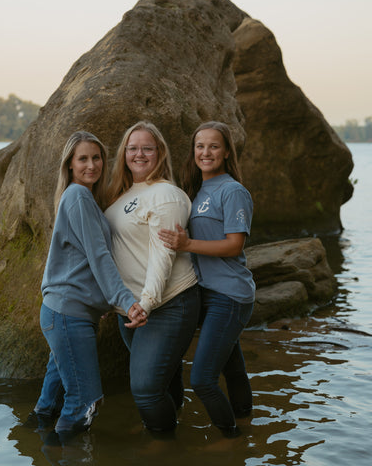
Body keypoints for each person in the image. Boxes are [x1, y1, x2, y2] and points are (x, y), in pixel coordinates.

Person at [27, 130, 146, 440]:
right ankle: (69, 457)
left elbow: (82, 264)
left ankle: (36, 449)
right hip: (68, 316)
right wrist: (125, 301)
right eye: (83, 159)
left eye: (96, 158)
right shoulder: (78, 196)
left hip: (66, 314)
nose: (91, 165)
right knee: (85, 403)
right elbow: (99, 257)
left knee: (47, 407)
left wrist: (102, 303)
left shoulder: (82, 199)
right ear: (70, 164)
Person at [158, 121, 255, 438]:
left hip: (229, 296)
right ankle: (246, 424)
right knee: (232, 366)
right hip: (203, 293)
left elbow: (234, 244)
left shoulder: (233, 191)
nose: (206, 152)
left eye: (214, 146)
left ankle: (231, 439)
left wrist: (186, 245)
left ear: (227, 152)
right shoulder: (196, 190)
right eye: (200, 146)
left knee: (201, 379)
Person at [104, 121, 200, 433]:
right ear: (124, 154)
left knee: (145, 389)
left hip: (167, 304)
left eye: (147, 148)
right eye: (132, 148)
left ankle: (163, 446)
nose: (139, 154)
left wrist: (147, 302)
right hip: (131, 309)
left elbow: (164, 255)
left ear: (159, 153)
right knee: (166, 377)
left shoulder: (166, 195)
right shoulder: (120, 196)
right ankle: (174, 426)